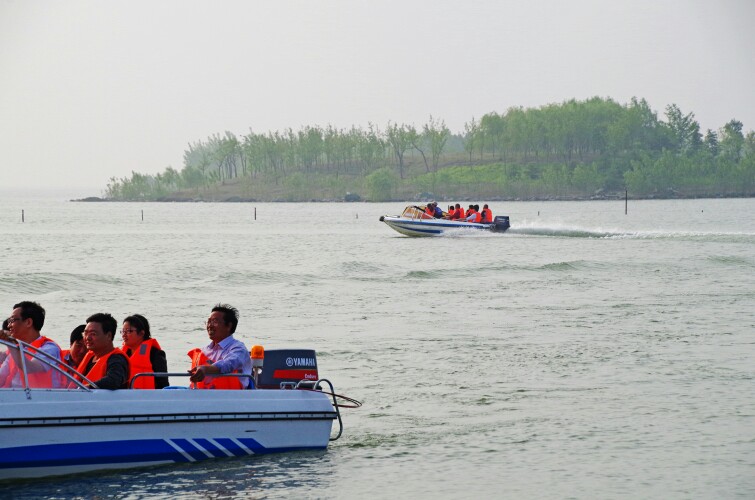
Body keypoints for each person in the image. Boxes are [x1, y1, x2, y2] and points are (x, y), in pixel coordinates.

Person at [0, 301, 63, 388]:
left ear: (28, 322)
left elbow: (29, 368)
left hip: (40, 398)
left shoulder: (50, 348)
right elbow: (1, 377)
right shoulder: (16, 349)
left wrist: (10, 342)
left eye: (12, 320)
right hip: (15, 397)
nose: (9, 325)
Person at [188, 304, 252, 389]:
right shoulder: (204, 350)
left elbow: (228, 364)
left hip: (231, 397)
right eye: (209, 321)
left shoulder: (239, 349)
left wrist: (205, 369)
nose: (210, 325)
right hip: (201, 396)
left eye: (214, 321)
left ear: (229, 326)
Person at [74, 313, 129, 389]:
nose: (87, 337)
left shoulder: (117, 359)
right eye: (85, 333)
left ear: (109, 336)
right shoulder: (90, 356)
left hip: (102, 399)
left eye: (93, 334)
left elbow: (114, 380)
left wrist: (88, 387)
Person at [121, 314, 169, 389]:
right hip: (126, 396)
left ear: (141, 333)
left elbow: (163, 384)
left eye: (128, 331)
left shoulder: (155, 354)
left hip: (148, 397)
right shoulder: (122, 354)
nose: (124, 335)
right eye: (123, 331)